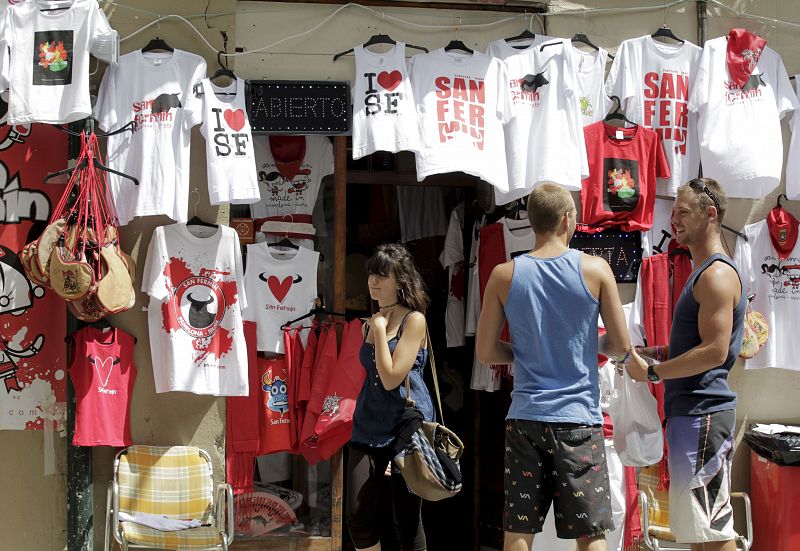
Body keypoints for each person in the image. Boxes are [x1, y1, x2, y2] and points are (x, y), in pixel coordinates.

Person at [476, 183, 640, 551]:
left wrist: (527, 351)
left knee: (519, 530)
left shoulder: (504, 274)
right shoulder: (596, 270)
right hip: (578, 420)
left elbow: (486, 352)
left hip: (525, 419)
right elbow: (620, 346)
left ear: (533, 222)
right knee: (590, 533)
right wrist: (584, 346)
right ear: (568, 219)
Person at [624, 178, 746, 551]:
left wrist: (654, 372)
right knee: (696, 529)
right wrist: (657, 353)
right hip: (691, 415)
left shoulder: (717, 275)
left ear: (711, 215)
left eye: (683, 213)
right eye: (673, 213)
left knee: (711, 527)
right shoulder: (704, 272)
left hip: (703, 415)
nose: (674, 220)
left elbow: (714, 351)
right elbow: (699, 345)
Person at [346, 243, 433, 551]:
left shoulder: (414, 321)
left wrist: (380, 332)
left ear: (401, 280)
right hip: (368, 422)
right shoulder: (375, 320)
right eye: (372, 273)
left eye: (382, 275)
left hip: (404, 429)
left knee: (405, 521)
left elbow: (392, 376)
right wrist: (377, 328)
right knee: (358, 515)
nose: (373, 281)